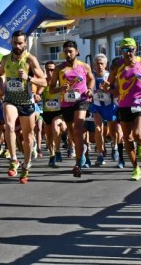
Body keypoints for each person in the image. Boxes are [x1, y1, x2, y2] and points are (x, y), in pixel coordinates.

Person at [0, 31, 46, 183]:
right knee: (9, 126)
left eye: (20, 43)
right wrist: (1, 88)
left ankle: (26, 165)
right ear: (11, 42)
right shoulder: (5, 59)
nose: (17, 46)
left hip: (26, 101)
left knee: (28, 136)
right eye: (14, 43)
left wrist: (29, 77)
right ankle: (13, 160)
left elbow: (44, 82)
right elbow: (0, 74)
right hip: (10, 99)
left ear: (25, 43)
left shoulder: (30, 60)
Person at [105, 38, 141, 181]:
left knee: (137, 134)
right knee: (127, 138)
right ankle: (136, 167)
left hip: (140, 104)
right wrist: (108, 88)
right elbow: (109, 84)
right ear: (120, 51)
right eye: (125, 50)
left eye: (131, 49)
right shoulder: (117, 64)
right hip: (123, 105)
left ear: (136, 49)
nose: (128, 53)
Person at [49, 40, 95, 178]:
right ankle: (82, 149)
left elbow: (91, 79)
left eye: (70, 51)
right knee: (72, 133)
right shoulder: (59, 69)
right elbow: (51, 89)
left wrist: (90, 90)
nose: (68, 54)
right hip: (66, 103)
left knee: (77, 129)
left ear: (77, 52)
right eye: (66, 51)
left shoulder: (84, 67)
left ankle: (78, 163)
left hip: (81, 100)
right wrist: (60, 88)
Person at [90, 54, 116, 166]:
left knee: (113, 131)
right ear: (94, 65)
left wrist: (108, 90)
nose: (99, 66)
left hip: (109, 106)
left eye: (102, 63)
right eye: (97, 63)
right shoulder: (91, 77)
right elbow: (87, 90)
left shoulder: (110, 76)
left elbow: (116, 92)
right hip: (97, 106)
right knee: (98, 129)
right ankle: (100, 154)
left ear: (106, 65)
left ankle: (115, 146)